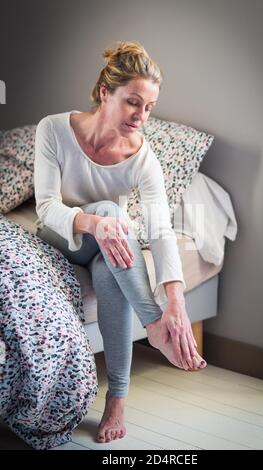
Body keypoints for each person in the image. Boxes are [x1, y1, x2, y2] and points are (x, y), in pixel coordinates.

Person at [34, 40, 207, 445]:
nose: (141, 116)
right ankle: (153, 324)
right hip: (59, 238)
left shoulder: (144, 159)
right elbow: (44, 208)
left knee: (110, 266)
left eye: (148, 108)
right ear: (104, 93)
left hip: (106, 249)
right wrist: (93, 221)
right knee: (112, 216)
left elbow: (161, 229)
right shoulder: (54, 129)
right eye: (133, 102)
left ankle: (117, 397)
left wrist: (177, 302)